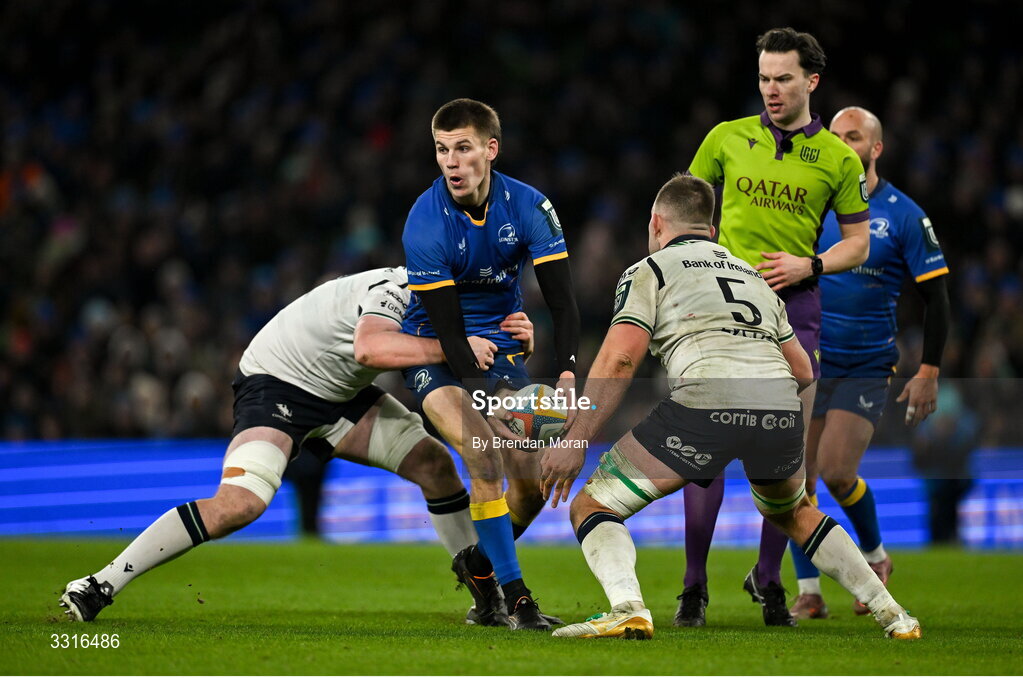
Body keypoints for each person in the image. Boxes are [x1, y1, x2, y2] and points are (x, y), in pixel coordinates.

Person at [539, 174, 921, 640]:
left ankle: (628, 608)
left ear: (657, 224)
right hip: (779, 405)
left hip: (708, 399)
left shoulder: (650, 269)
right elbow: (803, 371)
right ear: (713, 231)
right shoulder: (753, 277)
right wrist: (794, 446)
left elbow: (620, 358)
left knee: (592, 503)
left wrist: (576, 439)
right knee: (793, 512)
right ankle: (893, 614)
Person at [58, 266, 535, 623]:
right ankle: (99, 583)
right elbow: (371, 349)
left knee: (433, 464)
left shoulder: (449, 308)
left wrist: (519, 349)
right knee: (239, 505)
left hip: (340, 395)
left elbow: (474, 363)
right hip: (278, 384)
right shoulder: (396, 289)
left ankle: (485, 598)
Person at [677, 27, 872, 627]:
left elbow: (858, 244)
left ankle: (768, 581)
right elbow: (681, 208)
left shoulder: (838, 159)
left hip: (797, 316)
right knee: (702, 451)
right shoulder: (726, 138)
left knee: (783, 457)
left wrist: (809, 263)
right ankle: (693, 587)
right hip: (718, 316)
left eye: (783, 78)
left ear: (811, 81)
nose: (771, 89)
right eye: (763, 78)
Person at [399, 98, 580, 631]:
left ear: (490, 149)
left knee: (529, 490)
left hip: (500, 352)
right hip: (438, 352)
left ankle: (478, 565)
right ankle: (517, 598)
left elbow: (564, 305)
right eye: (441, 150)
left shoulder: (529, 207)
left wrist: (567, 372)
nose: (451, 162)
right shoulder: (425, 222)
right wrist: (490, 403)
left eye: (462, 148)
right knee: (484, 458)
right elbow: (452, 336)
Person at [787, 106, 951, 618]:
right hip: (809, 360)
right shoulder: (811, 206)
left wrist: (929, 369)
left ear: (875, 148)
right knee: (796, 482)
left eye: (852, 137)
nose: (841, 145)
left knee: (836, 474)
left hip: (865, 363)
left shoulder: (903, 214)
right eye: (834, 136)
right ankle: (809, 592)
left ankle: (876, 559)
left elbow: (937, 297)